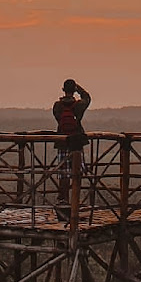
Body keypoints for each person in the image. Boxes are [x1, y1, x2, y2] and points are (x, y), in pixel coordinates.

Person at [53, 79, 91, 218]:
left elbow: (58, 118)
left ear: (63, 90)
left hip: (63, 141)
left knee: (64, 173)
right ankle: (75, 201)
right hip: (76, 142)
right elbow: (87, 97)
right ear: (73, 89)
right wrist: (78, 89)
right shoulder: (79, 106)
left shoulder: (57, 106)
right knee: (77, 172)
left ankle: (63, 201)